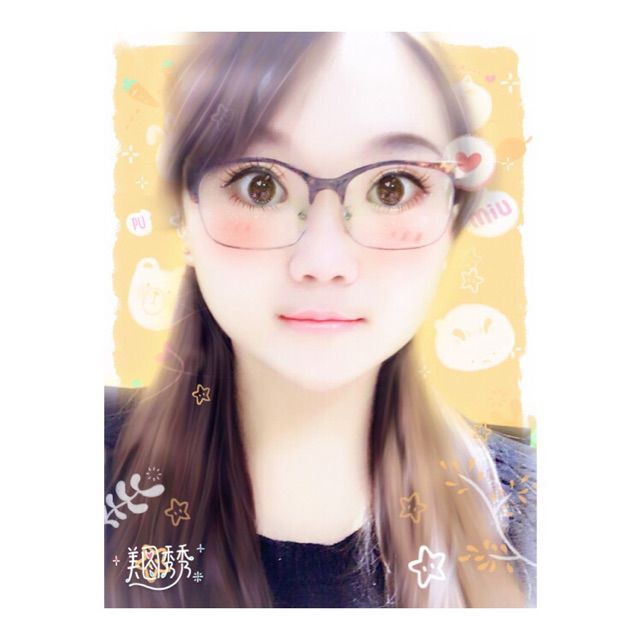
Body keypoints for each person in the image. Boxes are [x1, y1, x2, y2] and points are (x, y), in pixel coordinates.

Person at [104, 31, 536, 607]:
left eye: (392, 187)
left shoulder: (536, 519)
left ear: (452, 221)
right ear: (184, 215)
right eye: (260, 187)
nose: (324, 262)